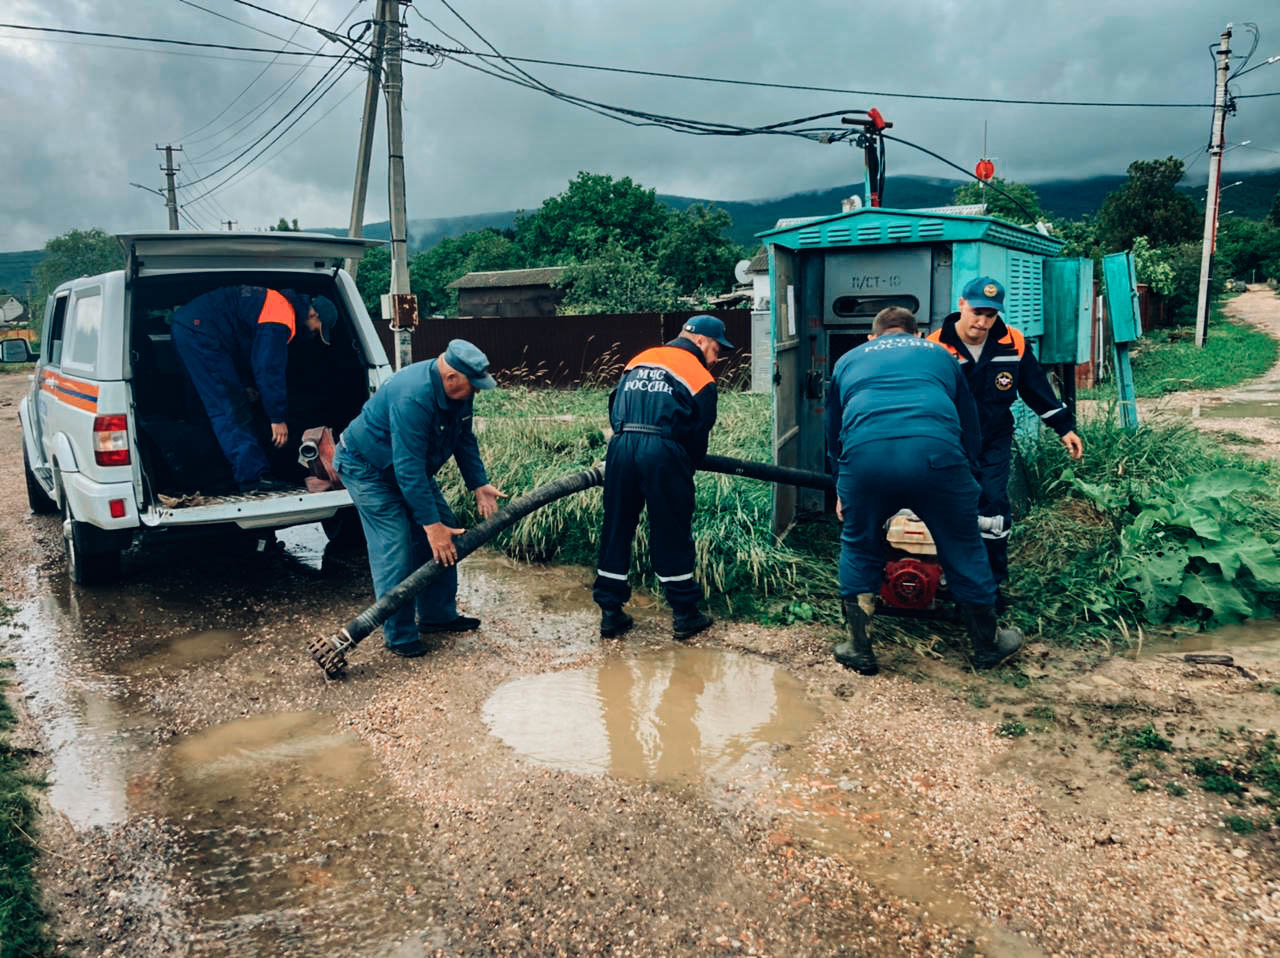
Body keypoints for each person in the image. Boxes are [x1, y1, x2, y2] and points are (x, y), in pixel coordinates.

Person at [825, 306, 1023, 675]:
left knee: (858, 543)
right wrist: (971, 478)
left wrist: (842, 485)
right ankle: (987, 646)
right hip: (937, 456)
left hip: (864, 460)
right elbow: (969, 425)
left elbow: (833, 433)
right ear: (916, 335)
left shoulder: (847, 360)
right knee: (963, 546)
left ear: (872, 337)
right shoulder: (939, 354)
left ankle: (859, 647)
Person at [333, 340, 505, 658]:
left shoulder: (459, 393)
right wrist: (430, 525)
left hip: (407, 469)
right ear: (452, 376)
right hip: (366, 468)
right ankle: (399, 635)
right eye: (474, 385)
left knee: (446, 532)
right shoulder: (412, 395)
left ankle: (437, 616)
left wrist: (479, 484)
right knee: (395, 545)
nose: (476, 393)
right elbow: (408, 469)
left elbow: (464, 437)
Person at [927, 277, 1084, 598]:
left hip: (995, 438)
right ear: (961, 304)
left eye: (990, 315)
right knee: (952, 506)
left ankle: (992, 581)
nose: (982, 322)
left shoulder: (1014, 343)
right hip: (950, 442)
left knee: (994, 505)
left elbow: (1036, 389)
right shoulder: (934, 346)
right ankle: (948, 575)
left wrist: (1064, 428)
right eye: (976, 312)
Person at [592, 315, 732, 641]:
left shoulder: (639, 359)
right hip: (664, 451)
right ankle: (685, 613)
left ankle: (610, 613)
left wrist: (626, 441)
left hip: (622, 445)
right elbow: (699, 432)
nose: (718, 356)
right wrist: (685, 463)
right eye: (716, 347)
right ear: (699, 341)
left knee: (617, 527)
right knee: (671, 528)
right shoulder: (699, 376)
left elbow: (615, 407)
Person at [171, 285, 334, 493]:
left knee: (227, 401)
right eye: (316, 327)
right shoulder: (279, 317)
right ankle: (253, 479)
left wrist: (246, 385)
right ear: (313, 313)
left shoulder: (278, 307)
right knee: (229, 406)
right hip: (199, 331)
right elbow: (268, 367)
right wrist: (277, 418)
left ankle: (223, 474)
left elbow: (248, 351)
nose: (311, 333)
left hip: (197, 329)